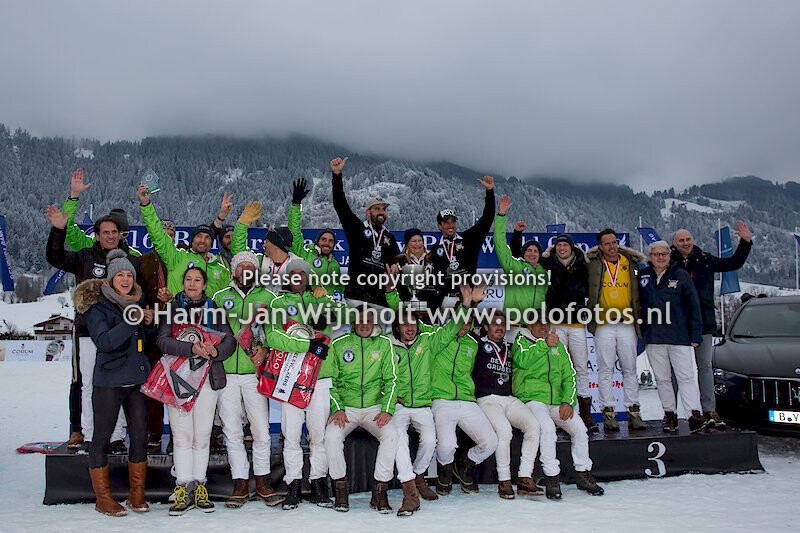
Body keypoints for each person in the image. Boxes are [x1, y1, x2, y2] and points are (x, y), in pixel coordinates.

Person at [46, 202, 145, 453]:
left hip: (124, 333)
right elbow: (55, 257)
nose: (110, 236)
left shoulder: (132, 261)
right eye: (105, 232)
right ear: (97, 235)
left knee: (121, 385)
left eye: (114, 232)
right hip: (89, 334)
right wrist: (58, 230)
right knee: (89, 384)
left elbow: (142, 294)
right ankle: (90, 434)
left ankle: (117, 437)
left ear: (121, 234)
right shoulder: (85, 257)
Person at [262, 258, 352, 510]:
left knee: (319, 436)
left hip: (320, 378)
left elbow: (342, 319)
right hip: (291, 378)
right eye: (294, 273)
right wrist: (306, 345)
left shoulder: (319, 298)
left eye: (303, 273)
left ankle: (318, 485)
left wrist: (325, 301)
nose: (298, 277)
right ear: (287, 277)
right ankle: (292, 486)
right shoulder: (278, 303)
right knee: (291, 436)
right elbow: (272, 336)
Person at [74, 249, 154, 516]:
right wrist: (133, 322)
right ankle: (103, 498)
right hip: (109, 381)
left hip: (137, 381)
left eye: (129, 274)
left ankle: (137, 494)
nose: (125, 279)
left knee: (140, 437)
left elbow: (145, 342)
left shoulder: (138, 302)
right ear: (110, 279)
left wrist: (149, 325)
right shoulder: (98, 306)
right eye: (120, 274)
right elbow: (104, 342)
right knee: (102, 438)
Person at [388, 284, 479, 515]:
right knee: (398, 440)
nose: (410, 328)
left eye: (413, 323)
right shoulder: (387, 343)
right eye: (404, 324)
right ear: (397, 327)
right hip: (398, 405)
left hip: (422, 405)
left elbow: (450, 329)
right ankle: (410, 492)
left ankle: (419, 476)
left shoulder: (428, 341)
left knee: (430, 441)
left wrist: (466, 305)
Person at [156, 266, 237, 516]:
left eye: (197, 280)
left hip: (207, 380)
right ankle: (182, 487)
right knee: (181, 436)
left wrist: (215, 352)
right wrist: (190, 349)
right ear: (183, 283)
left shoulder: (215, 309)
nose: (192, 284)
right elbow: (162, 340)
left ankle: (200, 485)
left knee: (201, 436)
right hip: (178, 378)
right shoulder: (172, 308)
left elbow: (230, 340)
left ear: (204, 285)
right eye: (188, 280)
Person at [211, 251, 282, 509]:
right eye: (240, 266)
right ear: (233, 271)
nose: (245, 271)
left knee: (261, 430)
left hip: (255, 374)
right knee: (232, 432)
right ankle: (240, 483)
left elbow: (276, 332)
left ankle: (262, 482)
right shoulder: (220, 298)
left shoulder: (268, 298)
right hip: (227, 374)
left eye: (249, 266)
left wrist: (266, 349)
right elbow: (211, 332)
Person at [671, 222, 752, 427]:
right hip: (677, 323)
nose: (686, 243)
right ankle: (670, 412)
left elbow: (733, 264)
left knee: (705, 367)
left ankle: (709, 409)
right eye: (681, 240)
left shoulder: (705, 260)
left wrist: (745, 242)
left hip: (704, 321)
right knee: (674, 369)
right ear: (674, 243)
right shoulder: (668, 262)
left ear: (693, 240)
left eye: (688, 239)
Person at [512, 318, 604, 499]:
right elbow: (522, 361)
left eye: (545, 323)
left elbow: (569, 375)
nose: (543, 326)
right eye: (538, 323)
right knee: (547, 429)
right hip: (533, 400)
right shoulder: (521, 342)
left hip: (556, 403)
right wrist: (544, 345)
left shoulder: (558, 345)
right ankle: (551, 477)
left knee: (579, 429)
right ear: (529, 326)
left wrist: (567, 401)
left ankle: (583, 473)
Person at [325, 305, 399, 513]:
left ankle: (380, 491)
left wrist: (387, 409)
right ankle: (341, 490)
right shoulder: (339, 344)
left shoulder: (384, 344)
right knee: (331, 437)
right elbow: (330, 380)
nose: (364, 325)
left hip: (374, 407)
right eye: (360, 320)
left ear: (374, 323)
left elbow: (392, 380)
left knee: (391, 435)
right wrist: (338, 408)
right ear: (353, 323)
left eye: (369, 320)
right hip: (346, 408)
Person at [474, 311, 543, 499]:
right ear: (486, 327)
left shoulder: (511, 347)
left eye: (503, 324)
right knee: (504, 431)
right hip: (487, 399)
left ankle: (524, 477)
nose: (499, 327)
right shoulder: (477, 344)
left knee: (534, 426)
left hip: (509, 398)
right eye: (494, 324)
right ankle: (504, 480)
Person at [640, 241, 708, 432]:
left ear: (670, 256)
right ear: (650, 256)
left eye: (664, 254)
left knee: (686, 377)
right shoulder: (644, 276)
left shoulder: (681, 275)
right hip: (654, 337)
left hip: (679, 336)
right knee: (662, 379)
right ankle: (669, 415)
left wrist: (695, 333)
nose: (660, 257)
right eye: (656, 254)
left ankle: (693, 414)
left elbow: (694, 305)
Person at [429, 309, 499, 496]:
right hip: (441, 399)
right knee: (446, 445)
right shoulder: (438, 339)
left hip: (467, 401)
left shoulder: (473, 344)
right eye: (461, 322)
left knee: (491, 443)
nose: (464, 326)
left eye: (468, 323)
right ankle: (445, 471)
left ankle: (464, 465)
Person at [585, 229, 647, 432]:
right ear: (600, 247)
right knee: (605, 369)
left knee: (629, 368)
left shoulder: (630, 262)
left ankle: (633, 411)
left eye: (614, 242)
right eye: (607, 244)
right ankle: (608, 411)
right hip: (603, 323)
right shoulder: (593, 263)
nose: (612, 246)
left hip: (627, 322)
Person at [537, 233, 595, 431]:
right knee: (557, 368)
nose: (562, 248)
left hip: (577, 324)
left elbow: (590, 288)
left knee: (581, 367)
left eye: (565, 245)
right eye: (559, 245)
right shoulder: (548, 263)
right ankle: (559, 413)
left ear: (572, 247)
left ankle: (586, 411)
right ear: (554, 248)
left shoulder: (582, 264)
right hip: (556, 323)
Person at [330, 156, 401, 306]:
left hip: (380, 299)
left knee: (380, 331)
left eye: (383, 209)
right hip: (356, 296)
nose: (381, 212)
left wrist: (398, 266)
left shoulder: (390, 238)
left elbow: (397, 261)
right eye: (377, 209)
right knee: (357, 330)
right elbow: (340, 205)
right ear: (368, 212)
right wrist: (337, 175)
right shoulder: (356, 228)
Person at [137, 185, 230, 297]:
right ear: (192, 240)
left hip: (208, 314)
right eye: (199, 236)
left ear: (211, 243)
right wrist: (146, 205)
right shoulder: (176, 258)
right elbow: (157, 233)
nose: (202, 240)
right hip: (178, 313)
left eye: (207, 237)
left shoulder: (222, 270)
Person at [429, 175, 495, 309]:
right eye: (446, 222)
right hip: (445, 300)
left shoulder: (469, 240)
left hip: (467, 297)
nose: (450, 225)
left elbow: (486, 219)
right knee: (447, 330)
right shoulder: (435, 249)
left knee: (466, 329)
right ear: (439, 226)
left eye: (453, 221)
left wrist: (489, 192)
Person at [139, 218, 177, 449]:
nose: (167, 238)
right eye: (163, 234)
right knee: (154, 384)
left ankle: (176, 435)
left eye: (171, 235)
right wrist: (145, 311)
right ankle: (154, 432)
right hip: (152, 328)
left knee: (177, 384)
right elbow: (137, 293)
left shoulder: (179, 257)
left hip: (177, 327)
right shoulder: (143, 261)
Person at [61, 168, 142, 256]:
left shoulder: (134, 256)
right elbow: (66, 228)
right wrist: (74, 196)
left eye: (124, 234)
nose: (117, 237)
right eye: (111, 232)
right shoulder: (89, 247)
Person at [288, 178, 345, 298]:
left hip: (325, 311)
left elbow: (340, 289)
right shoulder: (305, 255)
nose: (327, 243)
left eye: (331, 241)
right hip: (304, 308)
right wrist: (296, 204)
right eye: (323, 239)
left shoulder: (334, 265)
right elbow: (295, 233)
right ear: (317, 242)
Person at [494, 195, 548, 318]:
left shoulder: (544, 272)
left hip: (536, 326)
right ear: (523, 254)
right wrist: (501, 215)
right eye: (528, 250)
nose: (532, 253)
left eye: (535, 251)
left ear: (540, 255)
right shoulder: (513, 266)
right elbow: (500, 243)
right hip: (514, 324)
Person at [232, 201, 301, 292]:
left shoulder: (299, 265)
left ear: (277, 245)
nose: (263, 245)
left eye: (267, 242)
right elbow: (239, 252)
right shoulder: (260, 262)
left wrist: (317, 289)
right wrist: (242, 224)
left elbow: (316, 287)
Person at [210, 192, 236, 270]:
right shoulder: (214, 261)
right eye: (227, 237)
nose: (231, 239)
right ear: (221, 241)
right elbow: (207, 237)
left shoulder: (248, 259)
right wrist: (222, 215)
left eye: (233, 236)